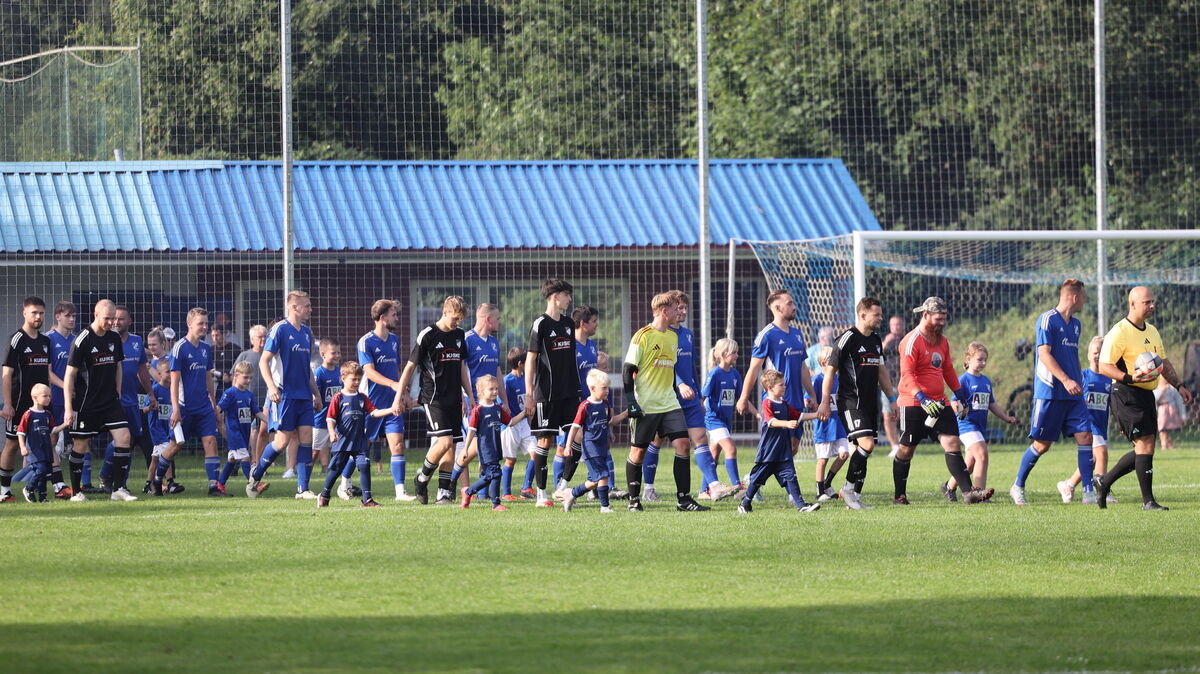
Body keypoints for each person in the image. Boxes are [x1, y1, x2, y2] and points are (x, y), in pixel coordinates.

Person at [1094, 286, 1193, 510]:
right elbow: (1104, 366)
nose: (1152, 306)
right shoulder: (1119, 332)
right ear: (1133, 304)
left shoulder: (1152, 331)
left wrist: (1179, 385)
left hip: (1147, 392)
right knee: (1145, 444)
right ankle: (1148, 501)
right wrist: (1129, 377)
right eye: (1147, 302)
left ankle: (1104, 482)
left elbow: (1163, 362)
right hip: (1125, 392)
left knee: (1145, 448)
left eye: (1152, 302)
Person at [892, 297, 992, 506]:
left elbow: (947, 370)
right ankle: (899, 495)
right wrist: (923, 399)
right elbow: (907, 375)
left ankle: (968, 493)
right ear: (925, 315)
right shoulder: (911, 341)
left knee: (952, 442)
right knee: (906, 449)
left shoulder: (942, 341)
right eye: (938, 319)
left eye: (944, 319)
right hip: (913, 402)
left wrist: (961, 395)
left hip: (940, 403)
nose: (942, 323)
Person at [622, 291, 708, 512]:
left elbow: (672, 370)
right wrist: (632, 401)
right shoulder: (642, 336)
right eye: (674, 308)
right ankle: (634, 500)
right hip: (646, 405)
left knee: (683, 445)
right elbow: (628, 370)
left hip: (670, 403)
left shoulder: (673, 336)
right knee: (638, 452)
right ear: (663, 311)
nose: (678, 311)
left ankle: (683, 499)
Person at [1009, 279, 1093, 506]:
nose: (1085, 301)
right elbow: (1044, 354)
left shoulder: (1076, 325)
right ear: (1074, 297)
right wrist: (1065, 380)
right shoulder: (1047, 319)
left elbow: (1072, 357)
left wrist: (1078, 381)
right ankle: (1017, 486)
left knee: (1086, 436)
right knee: (1042, 445)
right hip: (1050, 392)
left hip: (1073, 393)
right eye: (1083, 297)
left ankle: (1088, 492)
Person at [817, 297, 895, 508]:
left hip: (871, 404)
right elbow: (829, 373)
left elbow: (881, 371)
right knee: (866, 444)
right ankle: (848, 489)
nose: (881, 317)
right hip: (851, 402)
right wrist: (825, 402)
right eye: (877, 314)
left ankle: (854, 494)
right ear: (863, 315)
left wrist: (892, 399)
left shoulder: (876, 340)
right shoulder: (847, 339)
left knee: (864, 449)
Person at [398, 295, 474, 505]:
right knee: (445, 441)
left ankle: (443, 493)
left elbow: (461, 367)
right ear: (445, 312)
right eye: (455, 318)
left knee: (452, 446)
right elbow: (410, 368)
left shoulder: (459, 335)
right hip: (433, 397)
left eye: (460, 320)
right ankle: (421, 478)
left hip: (454, 399)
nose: (458, 323)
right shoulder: (428, 335)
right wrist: (399, 397)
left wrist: (469, 396)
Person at [248, 291, 322, 499]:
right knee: (281, 442)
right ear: (294, 307)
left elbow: (306, 368)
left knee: (307, 440)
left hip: (304, 396)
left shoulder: (307, 333)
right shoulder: (279, 330)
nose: (310, 309)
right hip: (285, 395)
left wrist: (315, 393)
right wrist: (271, 387)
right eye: (306, 305)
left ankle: (303, 489)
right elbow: (264, 361)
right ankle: (257, 474)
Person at [63, 299, 136, 502]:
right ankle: (76, 492)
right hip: (87, 404)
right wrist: (69, 408)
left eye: (114, 318)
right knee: (80, 444)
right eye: (107, 318)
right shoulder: (83, 339)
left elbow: (118, 366)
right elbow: (69, 375)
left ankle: (119, 489)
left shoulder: (114, 337)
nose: (112, 322)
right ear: (96, 315)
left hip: (110, 401)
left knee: (124, 438)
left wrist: (118, 391)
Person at [669, 291, 736, 502]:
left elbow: (691, 368)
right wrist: (679, 384)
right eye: (679, 307)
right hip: (667, 397)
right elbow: (665, 364)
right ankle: (648, 488)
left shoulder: (687, 334)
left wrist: (697, 393)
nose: (683, 311)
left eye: (685, 308)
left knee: (700, 440)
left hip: (690, 398)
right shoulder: (663, 335)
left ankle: (713, 487)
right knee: (652, 443)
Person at [2, 297, 68, 502]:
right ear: (25, 313)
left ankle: (59, 486)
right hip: (19, 404)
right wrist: (8, 404)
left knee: (49, 441)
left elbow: (48, 373)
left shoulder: (45, 342)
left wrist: (66, 386)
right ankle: (4, 491)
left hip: (41, 404)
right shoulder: (17, 339)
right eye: (34, 313)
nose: (38, 316)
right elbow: (6, 374)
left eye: (41, 313)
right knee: (13, 445)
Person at [736, 290, 817, 456]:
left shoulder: (797, 334)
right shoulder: (766, 335)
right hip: (776, 401)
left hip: (796, 399)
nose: (794, 307)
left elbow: (802, 367)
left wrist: (812, 395)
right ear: (778, 308)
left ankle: (780, 479)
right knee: (772, 450)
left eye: (793, 303)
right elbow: (754, 369)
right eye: (790, 304)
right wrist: (744, 398)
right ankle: (754, 479)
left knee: (792, 449)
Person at [523, 279, 579, 507]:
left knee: (578, 439)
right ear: (555, 296)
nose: (569, 299)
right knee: (545, 441)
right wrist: (529, 394)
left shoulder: (568, 323)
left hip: (570, 393)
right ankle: (541, 494)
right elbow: (530, 360)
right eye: (567, 295)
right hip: (546, 394)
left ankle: (563, 488)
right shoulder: (541, 324)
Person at [736, 370, 821, 514]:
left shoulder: (784, 403)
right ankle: (745, 503)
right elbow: (770, 421)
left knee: (791, 476)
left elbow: (799, 416)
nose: (784, 387)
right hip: (769, 451)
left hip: (783, 451)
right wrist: (786, 424)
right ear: (770, 387)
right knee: (757, 479)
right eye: (781, 385)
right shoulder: (767, 403)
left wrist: (817, 415)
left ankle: (801, 505)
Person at [317, 362, 397, 509]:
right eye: (353, 379)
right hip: (343, 442)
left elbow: (374, 412)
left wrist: (391, 410)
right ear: (343, 378)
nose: (356, 382)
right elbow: (330, 418)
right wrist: (331, 432)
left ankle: (367, 500)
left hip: (360, 442)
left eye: (359, 379)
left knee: (364, 465)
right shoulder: (338, 398)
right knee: (335, 471)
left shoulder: (362, 397)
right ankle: (325, 495)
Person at [943, 342, 1017, 500]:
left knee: (968, 466)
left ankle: (949, 487)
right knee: (982, 455)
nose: (983, 363)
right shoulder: (963, 380)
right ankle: (979, 494)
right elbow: (954, 401)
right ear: (968, 359)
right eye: (979, 359)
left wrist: (1005, 417)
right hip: (966, 425)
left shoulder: (986, 382)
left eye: (985, 360)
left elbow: (992, 404)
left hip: (979, 427)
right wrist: (960, 410)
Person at [357, 299, 415, 502]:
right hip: (371, 403)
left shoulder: (394, 340)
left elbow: (398, 371)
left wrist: (403, 392)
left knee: (397, 444)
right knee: (361, 447)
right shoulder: (366, 342)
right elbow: (369, 372)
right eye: (394, 315)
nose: (397, 318)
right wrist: (392, 384)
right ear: (382, 318)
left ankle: (400, 492)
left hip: (393, 403)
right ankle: (345, 483)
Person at [166, 308, 223, 496]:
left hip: (204, 406)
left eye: (206, 323)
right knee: (176, 446)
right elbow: (174, 383)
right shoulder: (179, 348)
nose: (205, 327)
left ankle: (214, 486)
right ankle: (157, 480)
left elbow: (208, 379)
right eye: (201, 323)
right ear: (189, 324)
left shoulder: (206, 349)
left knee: (211, 441)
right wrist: (176, 410)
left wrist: (213, 404)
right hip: (183, 407)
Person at [562, 368, 628, 513]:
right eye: (604, 388)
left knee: (594, 481)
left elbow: (610, 421)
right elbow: (574, 427)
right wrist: (568, 446)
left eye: (608, 388)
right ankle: (604, 506)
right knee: (604, 475)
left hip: (602, 446)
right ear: (592, 388)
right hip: (590, 446)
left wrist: (626, 413)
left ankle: (571, 494)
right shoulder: (585, 406)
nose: (607, 391)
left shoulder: (605, 404)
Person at [1056, 337, 1113, 504]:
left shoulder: (1109, 379)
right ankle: (1102, 492)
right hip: (1086, 423)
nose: (1097, 355)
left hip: (1100, 424)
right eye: (1095, 352)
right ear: (1089, 355)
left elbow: (1112, 404)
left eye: (1101, 353)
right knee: (1101, 453)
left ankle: (1069, 484)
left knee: (1093, 459)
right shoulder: (1083, 376)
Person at [458, 303, 506, 489]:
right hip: (472, 403)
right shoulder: (467, 339)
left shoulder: (494, 342)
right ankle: (459, 481)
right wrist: (463, 397)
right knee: (475, 445)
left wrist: (505, 401)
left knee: (487, 447)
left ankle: (481, 490)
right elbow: (458, 370)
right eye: (498, 318)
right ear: (488, 319)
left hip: (492, 404)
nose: (500, 322)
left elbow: (497, 372)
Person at [553, 305, 598, 497]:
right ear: (582, 324)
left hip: (592, 403)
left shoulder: (593, 346)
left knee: (590, 443)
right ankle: (560, 487)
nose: (597, 325)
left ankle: (589, 487)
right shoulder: (569, 346)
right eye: (594, 321)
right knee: (567, 445)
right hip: (572, 402)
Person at [111, 306, 155, 494]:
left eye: (121, 319)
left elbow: (142, 371)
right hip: (111, 400)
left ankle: (120, 483)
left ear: (130, 321)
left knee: (129, 441)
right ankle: (108, 477)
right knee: (119, 440)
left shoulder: (137, 342)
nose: (116, 322)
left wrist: (151, 393)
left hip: (131, 401)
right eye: (114, 318)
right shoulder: (106, 341)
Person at [459, 374, 518, 510]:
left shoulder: (497, 408)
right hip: (485, 449)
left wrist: (524, 414)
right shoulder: (477, 410)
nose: (495, 392)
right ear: (481, 391)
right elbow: (471, 431)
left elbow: (510, 422)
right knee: (496, 474)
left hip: (496, 448)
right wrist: (466, 449)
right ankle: (496, 504)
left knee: (488, 476)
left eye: (496, 389)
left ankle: (468, 492)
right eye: (491, 389)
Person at [49, 301, 90, 490]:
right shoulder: (48, 339)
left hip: (76, 398)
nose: (72, 319)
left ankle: (85, 482)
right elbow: (46, 372)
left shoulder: (77, 340)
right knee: (52, 438)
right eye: (68, 316)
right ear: (58, 316)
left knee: (82, 437)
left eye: (74, 316)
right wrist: (66, 385)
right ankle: (58, 483)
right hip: (55, 398)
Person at [214, 361, 265, 494]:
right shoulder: (230, 393)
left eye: (250, 377)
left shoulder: (249, 395)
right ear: (236, 375)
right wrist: (214, 420)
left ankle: (220, 484)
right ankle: (254, 484)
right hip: (234, 433)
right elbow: (219, 408)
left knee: (231, 459)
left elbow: (258, 412)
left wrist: (272, 422)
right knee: (245, 457)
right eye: (245, 377)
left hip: (244, 433)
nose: (248, 380)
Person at [702, 338, 744, 492]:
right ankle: (738, 487)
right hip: (714, 419)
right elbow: (703, 396)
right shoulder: (714, 373)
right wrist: (700, 416)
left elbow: (742, 397)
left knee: (713, 455)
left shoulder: (734, 374)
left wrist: (757, 413)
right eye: (734, 353)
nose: (737, 356)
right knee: (731, 448)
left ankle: (704, 491)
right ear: (724, 354)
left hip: (726, 420)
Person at [16, 384, 68, 502]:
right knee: (41, 470)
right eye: (45, 396)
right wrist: (23, 447)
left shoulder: (48, 414)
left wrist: (64, 425)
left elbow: (53, 430)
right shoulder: (28, 414)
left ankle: (42, 498)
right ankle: (29, 488)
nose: (48, 398)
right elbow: (20, 432)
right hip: (34, 450)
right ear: (35, 397)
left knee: (45, 474)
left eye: (50, 396)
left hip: (46, 449)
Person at [811, 346, 849, 503]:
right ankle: (820, 491)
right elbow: (811, 399)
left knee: (844, 454)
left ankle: (827, 483)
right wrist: (810, 402)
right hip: (825, 427)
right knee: (823, 459)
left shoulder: (839, 379)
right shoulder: (818, 380)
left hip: (839, 426)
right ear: (825, 362)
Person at [501, 347, 538, 500]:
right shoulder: (507, 382)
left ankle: (526, 488)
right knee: (510, 459)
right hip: (511, 426)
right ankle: (506, 493)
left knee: (536, 454)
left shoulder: (526, 379)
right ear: (521, 363)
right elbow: (504, 406)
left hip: (524, 424)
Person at [144, 359, 182, 494]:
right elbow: (144, 409)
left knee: (155, 459)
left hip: (167, 428)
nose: (171, 375)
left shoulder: (173, 390)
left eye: (172, 372)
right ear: (159, 374)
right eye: (167, 372)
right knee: (168, 452)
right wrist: (151, 407)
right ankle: (170, 483)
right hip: (157, 428)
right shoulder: (154, 390)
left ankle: (148, 484)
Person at [233, 324, 269, 462]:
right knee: (252, 429)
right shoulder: (245, 355)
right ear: (252, 339)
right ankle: (252, 459)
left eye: (265, 336)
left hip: (266, 399)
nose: (263, 340)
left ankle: (261, 459)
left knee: (264, 431)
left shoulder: (270, 356)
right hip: (247, 401)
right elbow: (234, 377)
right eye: (260, 337)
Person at [311, 338, 342, 477]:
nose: (337, 356)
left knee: (340, 449)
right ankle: (305, 478)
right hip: (321, 419)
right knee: (315, 451)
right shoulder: (319, 373)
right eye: (333, 353)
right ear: (323, 355)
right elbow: (314, 397)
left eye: (339, 352)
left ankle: (341, 480)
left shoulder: (341, 372)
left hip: (338, 420)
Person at [880, 315, 905, 454]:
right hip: (888, 384)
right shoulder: (885, 341)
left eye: (898, 324)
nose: (896, 327)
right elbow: (877, 355)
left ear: (903, 325)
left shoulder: (907, 340)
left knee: (904, 414)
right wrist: (885, 343)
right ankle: (894, 446)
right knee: (888, 414)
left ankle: (905, 443)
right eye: (893, 324)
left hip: (904, 383)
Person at [1155, 379, 1186, 450]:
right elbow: (1155, 399)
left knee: (1167, 429)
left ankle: (1169, 444)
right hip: (1161, 410)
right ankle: (1165, 445)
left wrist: (1183, 415)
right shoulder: (1156, 388)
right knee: (1162, 428)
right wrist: (1161, 391)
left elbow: (1179, 401)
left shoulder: (1172, 388)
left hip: (1171, 410)